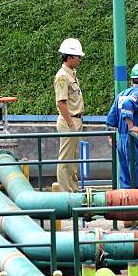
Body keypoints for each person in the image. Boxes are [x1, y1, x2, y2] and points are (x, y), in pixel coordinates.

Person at [106, 63, 138, 189]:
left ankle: (128, 206)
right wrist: (131, 125)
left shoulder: (121, 94)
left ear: (132, 80)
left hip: (121, 141)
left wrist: (110, 137)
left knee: (126, 178)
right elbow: (128, 104)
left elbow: (111, 118)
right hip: (135, 140)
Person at [54, 38, 85, 192]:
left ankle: (73, 190)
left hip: (74, 120)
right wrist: (71, 123)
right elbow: (61, 102)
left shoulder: (71, 74)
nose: (79, 60)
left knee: (73, 159)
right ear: (70, 57)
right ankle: (66, 194)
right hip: (69, 121)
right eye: (78, 57)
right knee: (66, 159)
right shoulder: (63, 76)